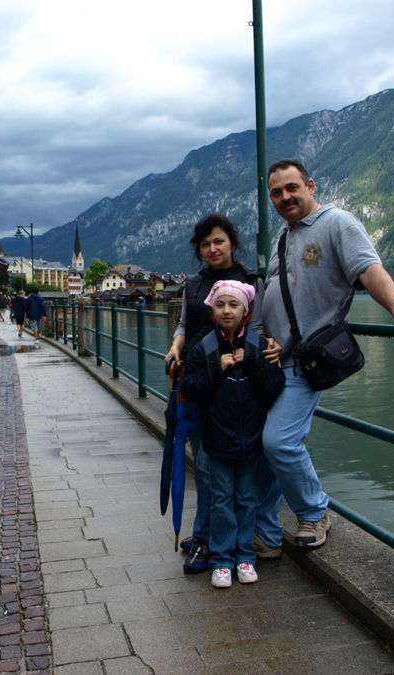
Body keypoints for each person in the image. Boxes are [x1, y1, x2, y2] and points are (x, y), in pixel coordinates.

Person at [257, 159, 394, 552]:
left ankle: (314, 511)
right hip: (271, 360)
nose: (284, 197)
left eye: (291, 188)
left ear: (310, 186)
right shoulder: (284, 237)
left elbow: (368, 269)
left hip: (305, 361)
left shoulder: (337, 223)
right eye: (276, 192)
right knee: (261, 443)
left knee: (278, 442)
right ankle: (265, 530)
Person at [163, 213, 266, 575]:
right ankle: (208, 537)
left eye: (218, 241)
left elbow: (259, 328)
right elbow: (185, 323)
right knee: (204, 466)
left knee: (216, 469)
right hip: (196, 379)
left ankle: (213, 539)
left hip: (236, 387)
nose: (212, 249)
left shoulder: (251, 280)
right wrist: (176, 345)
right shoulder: (193, 283)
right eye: (205, 244)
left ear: (232, 243)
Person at [180, 280, 285, 588]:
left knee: (248, 498)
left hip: (251, 441)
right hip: (218, 441)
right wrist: (217, 367)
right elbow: (189, 388)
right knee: (222, 499)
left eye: (234, 305)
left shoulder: (258, 345)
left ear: (246, 311)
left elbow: (275, 386)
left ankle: (244, 557)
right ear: (213, 310)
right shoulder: (206, 346)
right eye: (221, 304)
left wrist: (253, 362)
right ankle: (222, 560)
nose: (227, 310)